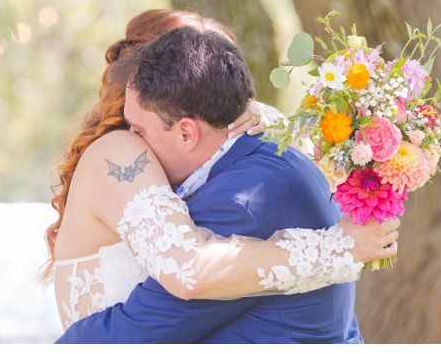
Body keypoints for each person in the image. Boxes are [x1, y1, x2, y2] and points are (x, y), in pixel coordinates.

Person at [54, 24, 398, 343]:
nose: (132, 140)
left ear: (187, 131)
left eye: (139, 130)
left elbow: (147, 324)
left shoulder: (241, 199)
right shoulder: (279, 160)